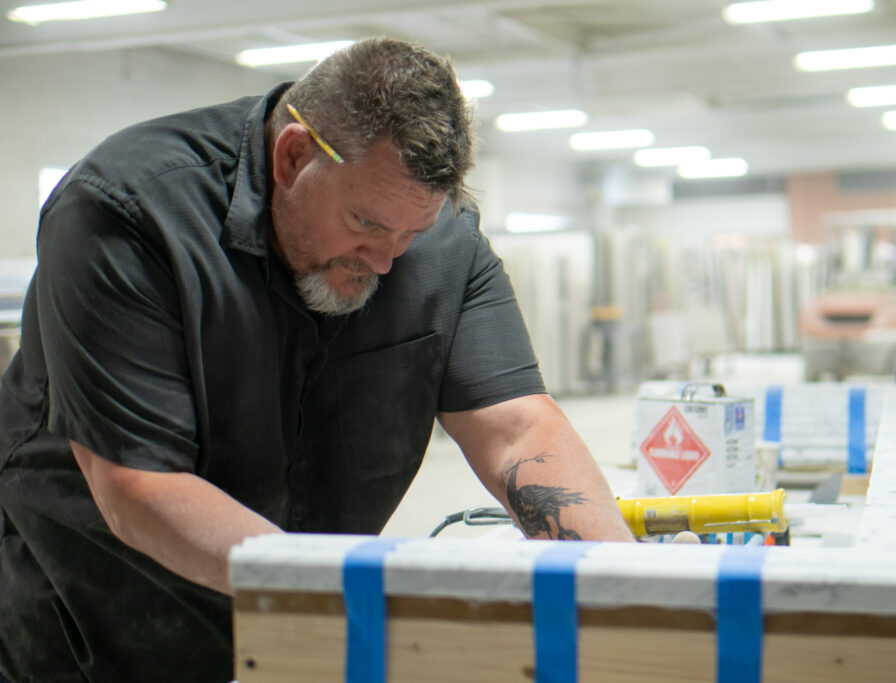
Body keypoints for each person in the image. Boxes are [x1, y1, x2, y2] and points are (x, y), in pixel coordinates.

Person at [0, 37, 634, 682]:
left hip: (296, 632)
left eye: (411, 235)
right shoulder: (129, 213)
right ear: (294, 155)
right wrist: (347, 604)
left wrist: (630, 595)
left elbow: (519, 427)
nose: (386, 258)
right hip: (94, 637)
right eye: (365, 223)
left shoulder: (437, 242)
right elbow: (138, 487)